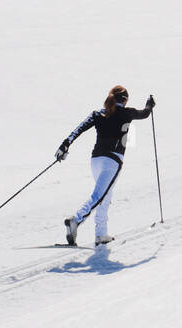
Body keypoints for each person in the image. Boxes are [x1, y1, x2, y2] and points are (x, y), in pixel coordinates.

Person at [56, 85, 155, 245]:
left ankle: (101, 234)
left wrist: (64, 145)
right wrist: (150, 104)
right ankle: (76, 220)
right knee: (99, 195)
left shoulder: (99, 113)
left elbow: (78, 130)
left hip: (95, 161)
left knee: (105, 195)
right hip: (112, 161)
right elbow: (145, 113)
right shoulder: (126, 112)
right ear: (125, 100)